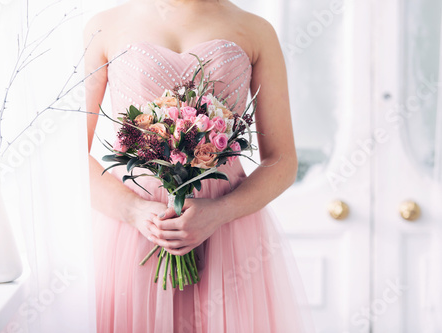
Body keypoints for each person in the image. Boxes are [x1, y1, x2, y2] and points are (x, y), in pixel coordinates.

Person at [84, 0, 316, 332]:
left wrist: (219, 211)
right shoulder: (103, 26)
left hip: (229, 233)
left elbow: (282, 161)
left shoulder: (255, 30)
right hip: (133, 231)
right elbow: (70, 157)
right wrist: (134, 211)